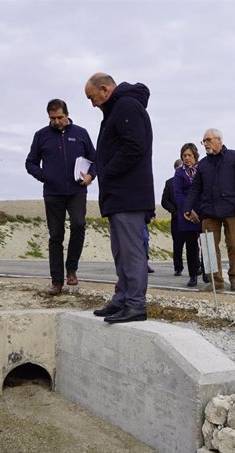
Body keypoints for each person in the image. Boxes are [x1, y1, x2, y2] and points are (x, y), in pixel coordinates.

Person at [85, 72, 154, 323]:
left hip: (129, 194)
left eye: (92, 97)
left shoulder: (126, 105)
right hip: (118, 195)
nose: (92, 103)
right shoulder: (115, 110)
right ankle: (122, 298)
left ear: (104, 89)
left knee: (132, 251)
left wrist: (108, 171)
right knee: (121, 251)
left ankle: (136, 304)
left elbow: (135, 146)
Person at [25, 98, 96, 295]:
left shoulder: (81, 134)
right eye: (52, 118)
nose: (56, 121)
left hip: (77, 191)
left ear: (67, 114)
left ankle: (71, 269)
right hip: (53, 193)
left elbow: (95, 160)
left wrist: (90, 176)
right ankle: (56, 281)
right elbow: (30, 163)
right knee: (56, 236)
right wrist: (43, 175)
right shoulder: (41, 136)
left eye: (60, 117)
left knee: (79, 225)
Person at [183, 129, 235, 292]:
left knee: (234, 245)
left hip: (232, 209)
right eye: (203, 141)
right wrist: (187, 207)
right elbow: (196, 188)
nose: (205, 144)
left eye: (208, 140)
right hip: (208, 211)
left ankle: (234, 278)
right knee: (209, 247)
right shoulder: (203, 164)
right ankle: (216, 282)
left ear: (219, 140)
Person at [173, 143, 202, 287]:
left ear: (195, 156)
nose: (187, 158)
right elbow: (177, 194)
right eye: (184, 155)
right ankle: (193, 275)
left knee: (207, 243)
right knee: (191, 246)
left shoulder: (202, 169)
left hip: (203, 211)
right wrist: (188, 210)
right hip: (186, 214)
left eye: (189, 155)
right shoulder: (179, 173)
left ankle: (208, 274)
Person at [161, 159, 184, 276]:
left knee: (193, 245)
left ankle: (195, 269)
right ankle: (178, 267)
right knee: (177, 244)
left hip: (190, 218)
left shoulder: (190, 181)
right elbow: (164, 201)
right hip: (176, 219)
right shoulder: (169, 183)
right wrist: (174, 211)